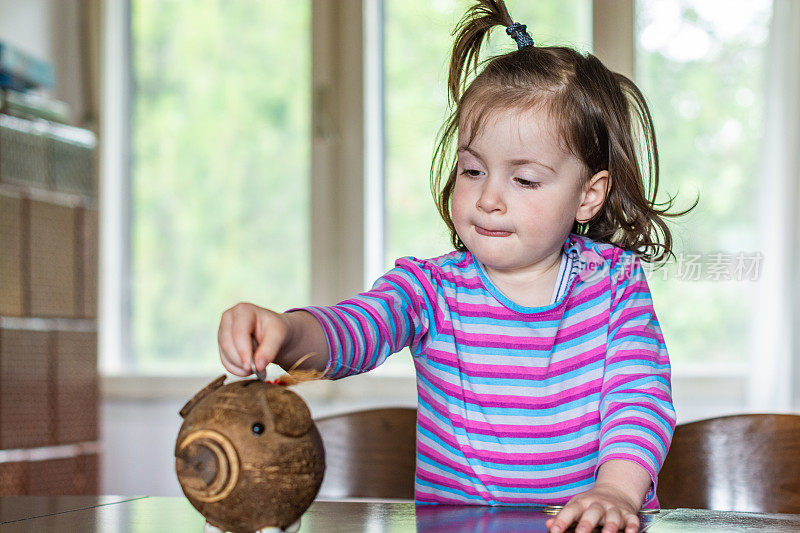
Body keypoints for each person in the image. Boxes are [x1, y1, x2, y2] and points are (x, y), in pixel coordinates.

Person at [218, 1, 690, 532]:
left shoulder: (614, 283)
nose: (488, 198)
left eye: (525, 180)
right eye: (472, 169)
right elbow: (355, 330)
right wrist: (286, 334)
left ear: (588, 196)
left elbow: (638, 393)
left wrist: (615, 490)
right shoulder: (430, 288)